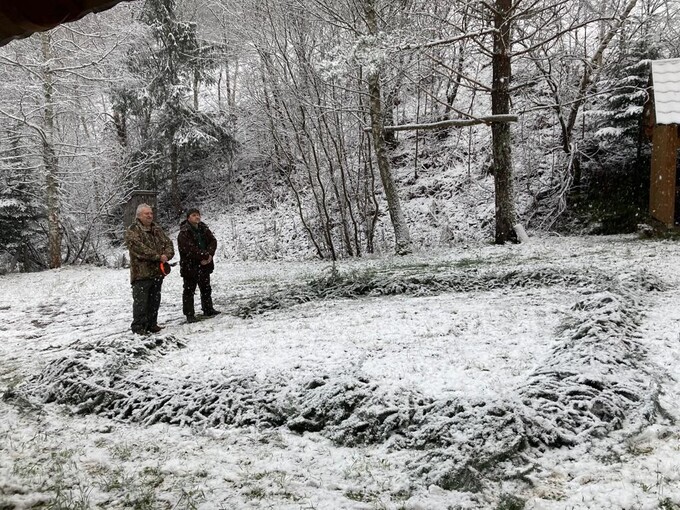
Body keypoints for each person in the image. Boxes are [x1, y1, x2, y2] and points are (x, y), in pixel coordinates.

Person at [124, 203, 175, 335]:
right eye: (147, 214)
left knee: (155, 300)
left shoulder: (156, 228)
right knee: (141, 302)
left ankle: (152, 324)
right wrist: (158, 256)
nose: (150, 216)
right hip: (141, 273)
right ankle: (139, 327)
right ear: (139, 215)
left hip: (157, 272)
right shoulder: (133, 230)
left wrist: (166, 256)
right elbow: (138, 249)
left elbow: (168, 243)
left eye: (151, 213)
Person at [178, 208, 220, 323]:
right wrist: (203, 256)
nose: (197, 217)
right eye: (194, 215)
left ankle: (208, 308)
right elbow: (189, 249)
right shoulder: (184, 232)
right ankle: (189, 314)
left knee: (206, 288)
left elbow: (213, 241)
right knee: (189, 290)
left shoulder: (203, 228)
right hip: (190, 266)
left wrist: (209, 255)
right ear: (188, 218)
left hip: (205, 265)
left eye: (198, 215)